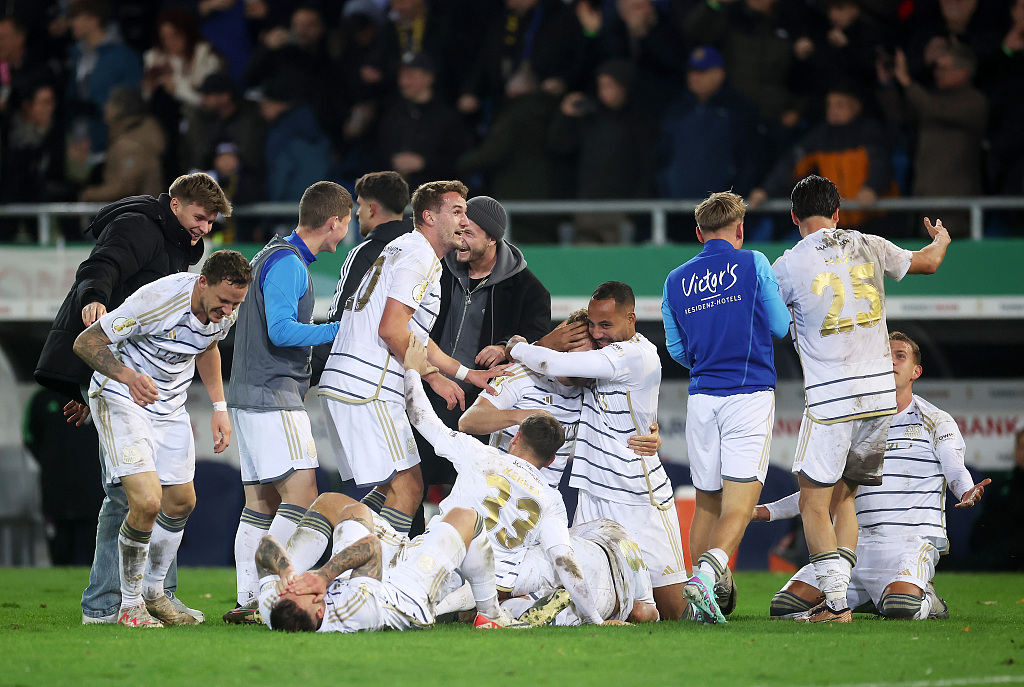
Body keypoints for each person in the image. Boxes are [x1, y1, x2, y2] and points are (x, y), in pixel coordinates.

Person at [34, 171, 232, 625]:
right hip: (111, 359)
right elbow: (100, 266)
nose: (204, 228)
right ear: (176, 204)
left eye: (211, 223)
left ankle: (155, 594)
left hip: (126, 371)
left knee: (161, 496)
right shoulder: (141, 225)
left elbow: (196, 340)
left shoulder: (182, 244)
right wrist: (94, 299)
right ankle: (105, 605)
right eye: (200, 217)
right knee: (129, 496)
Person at [771, 174, 951, 622]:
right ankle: (844, 592)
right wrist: (943, 238)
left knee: (815, 503)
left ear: (795, 217)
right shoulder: (869, 243)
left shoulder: (788, 264)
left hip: (832, 398)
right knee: (844, 498)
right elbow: (929, 263)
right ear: (837, 214)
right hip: (878, 398)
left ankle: (836, 605)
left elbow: (770, 324)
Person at [755, 331, 990, 620]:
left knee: (903, 609)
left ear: (916, 371)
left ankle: (925, 598)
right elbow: (824, 490)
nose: (890, 361)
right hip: (855, 546)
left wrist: (965, 490)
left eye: (899, 356)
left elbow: (955, 467)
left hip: (909, 544)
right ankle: (874, 598)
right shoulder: (854, 423)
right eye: (884, 355)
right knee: (784, 607)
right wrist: (767, 511)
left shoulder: (935, 420)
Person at [73, 250, 251, 627]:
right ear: (203, 282)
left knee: (182, 502)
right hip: (122, 396)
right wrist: (126, 376)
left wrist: (220, 406)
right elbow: (86, 343)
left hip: (168, 405)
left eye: (236, 303)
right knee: (147, 502)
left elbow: (208, 347)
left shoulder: (225, 311)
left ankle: (155, 593)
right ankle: (129, 605)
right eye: (224, 300)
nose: (228, 310)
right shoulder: (157, 300)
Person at [317, 180, 502, 537]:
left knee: (387, 493)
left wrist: (464, 373)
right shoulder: (419, 255)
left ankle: (319, 544)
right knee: (410, 487)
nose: (466, 220)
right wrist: (433, 377)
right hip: (368, 384)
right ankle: (383, 581)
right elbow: (391, 329)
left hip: (352, 380)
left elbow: (413, 334)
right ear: (429, 216)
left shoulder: (408, 249)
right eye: (458, 211)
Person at [402, 333, 618, 627]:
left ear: (516, 437)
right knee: (553, 555)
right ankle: (513, 606)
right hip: (495, 581)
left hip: (445, 557)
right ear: (552, 460)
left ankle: (439, 604)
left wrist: (412, 370)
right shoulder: (551, 499)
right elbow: (564, 562)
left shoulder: (478, 454)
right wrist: (596, 619)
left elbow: (420, 417)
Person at [502, 281, 689, 620]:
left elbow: (558, 365)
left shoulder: (634, 355)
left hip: (639, 495)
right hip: (593, 495)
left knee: (675, 611)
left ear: (631, 319)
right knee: (593, 593)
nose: (598, 333)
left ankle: (715, 593)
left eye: (607, 325)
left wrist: (515, 346)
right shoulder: (598, 358)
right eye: (593, 324)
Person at [224, 182, 353, 619]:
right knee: (302, 496)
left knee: (260, 503)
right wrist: (338, 331)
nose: (346, 233)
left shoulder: (270, 254)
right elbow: (280, 330)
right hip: (271, 396)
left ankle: (247, 597)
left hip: (249, 394)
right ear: (334, 221)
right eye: (346, 223)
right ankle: (272, 590)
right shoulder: (288, 264)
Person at [661, 191, 791, 622]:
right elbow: (780, 326)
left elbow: (678, 350)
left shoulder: (675, 279)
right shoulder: (754, 262)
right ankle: (707, 574)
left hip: (701, 398)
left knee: (707, 504)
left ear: (699, 233)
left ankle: (703, 602)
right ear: (739, 229)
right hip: (748, 393)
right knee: (740, 503)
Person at [418, 195, 551, 489]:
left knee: (470, 495)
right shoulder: (435, 270)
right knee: (412, 487)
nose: (460, 239)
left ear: (492, 239)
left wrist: (506, 347)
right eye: (459, 230)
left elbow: (541, 343)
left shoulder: (529, 290)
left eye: (469, 233)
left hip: (478, 411)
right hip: (428, 394)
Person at [459, 308, 661, 491]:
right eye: (584, 353)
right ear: (565, 346)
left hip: (543, 502)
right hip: (496, 489)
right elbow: (468, 422)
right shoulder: (520, 374)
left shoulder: (591, 389)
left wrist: (650, 436)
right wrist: (522, 416)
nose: (587, 364)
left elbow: (622, 425)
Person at [256, 500, 518, 632]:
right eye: (305, 590)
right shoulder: (355, 613)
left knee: (350, 509)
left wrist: (286, 572)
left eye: (292, 588)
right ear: (321, 612)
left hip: (363, 577)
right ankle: (490, 616)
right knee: (467, 516)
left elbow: (264, 547)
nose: (299, 585)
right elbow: (371, 547)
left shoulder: (276, 608)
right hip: (409, 594)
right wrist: (323, 576)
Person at [325, 171, 413, 324]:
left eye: (360, 205)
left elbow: (340, 320)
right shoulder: (425, 250)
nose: (358, 212)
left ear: (372, 209)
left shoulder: (362, 255)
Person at [80, 86, 166, 202]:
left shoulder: (130, 145)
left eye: (110, 102)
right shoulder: (134, 135)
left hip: (137, 216)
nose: (105, 107)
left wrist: (89, 194)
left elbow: (124, 187)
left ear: (120, 108)